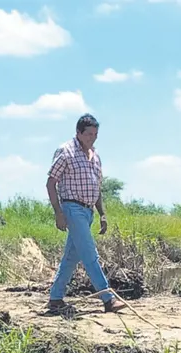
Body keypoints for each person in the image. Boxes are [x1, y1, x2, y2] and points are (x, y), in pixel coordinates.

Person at [45, 114, 126, 314]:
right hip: (72, 208)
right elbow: (50, 183)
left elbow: (97, 188)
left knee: (71, 257)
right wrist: (58, 213)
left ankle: (55, 298)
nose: (92, 138)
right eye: (89, 134)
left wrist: (102, 214)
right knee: (90, 255)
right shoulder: (66, 152)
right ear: (78, 133)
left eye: (95, 134)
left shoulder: (95, 156)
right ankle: (108, 298)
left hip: (88, 210)